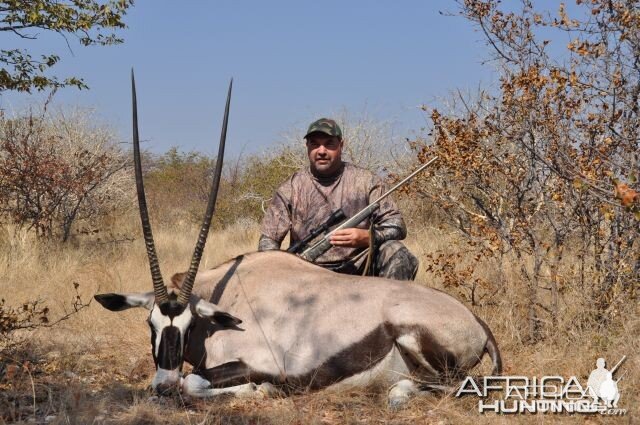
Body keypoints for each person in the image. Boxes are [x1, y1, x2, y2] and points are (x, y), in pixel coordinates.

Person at [258, 118, 419, 281]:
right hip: (305, 272)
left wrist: (368, 237)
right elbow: (268, 240)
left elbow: (397, 226)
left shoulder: (366, 180)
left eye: (329, 144)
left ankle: (391, 306)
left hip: (359, 268)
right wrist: (277, 266)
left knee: (397, 252)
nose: (321, 151)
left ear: (341, 145)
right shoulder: (291, 187)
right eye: (315, 144)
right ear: (307, 147)